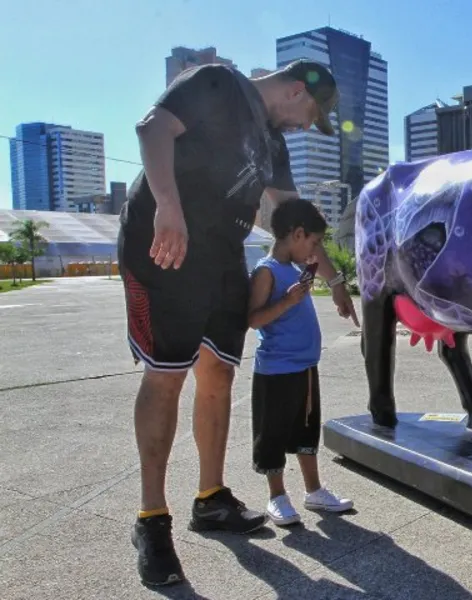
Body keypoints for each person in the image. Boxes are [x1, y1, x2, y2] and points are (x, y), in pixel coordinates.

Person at [120, 59, 359, 587]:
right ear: (297, 90)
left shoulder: (272, 145)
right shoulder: (219, 83)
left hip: (223, 255)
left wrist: (336, 280)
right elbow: (153, 127)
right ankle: (152, 521)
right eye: (309, 116)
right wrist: (167, 204)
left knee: (219, 374)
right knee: (166, 375)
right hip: (162, 242)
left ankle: (210, 498)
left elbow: (292, 217)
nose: (303, 127)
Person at [248, 199, 353, 526]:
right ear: (296, 234)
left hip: (304, 368)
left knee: (306, 429)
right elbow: (253, 318)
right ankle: (276, 496)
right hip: (276, 370)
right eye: (314, 241)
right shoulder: (266, 271)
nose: (316, 249)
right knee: (273, 433)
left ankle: (314, 490)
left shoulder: (295, 270)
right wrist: (288, 300)